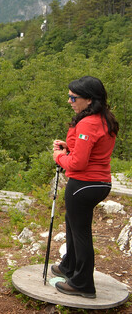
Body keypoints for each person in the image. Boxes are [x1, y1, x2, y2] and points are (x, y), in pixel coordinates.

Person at [52, 76, 118, 299]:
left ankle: (82, 284)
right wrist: (68, 147)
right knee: (72, 225)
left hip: (83, 184)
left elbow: (78, 163)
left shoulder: (87, 123)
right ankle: (69, 266)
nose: (70, 101)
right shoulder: (104, 119)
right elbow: (90, 152)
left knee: (80, 233)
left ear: (89, 100)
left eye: (73, 97)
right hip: (100, 182)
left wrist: (59, 157)